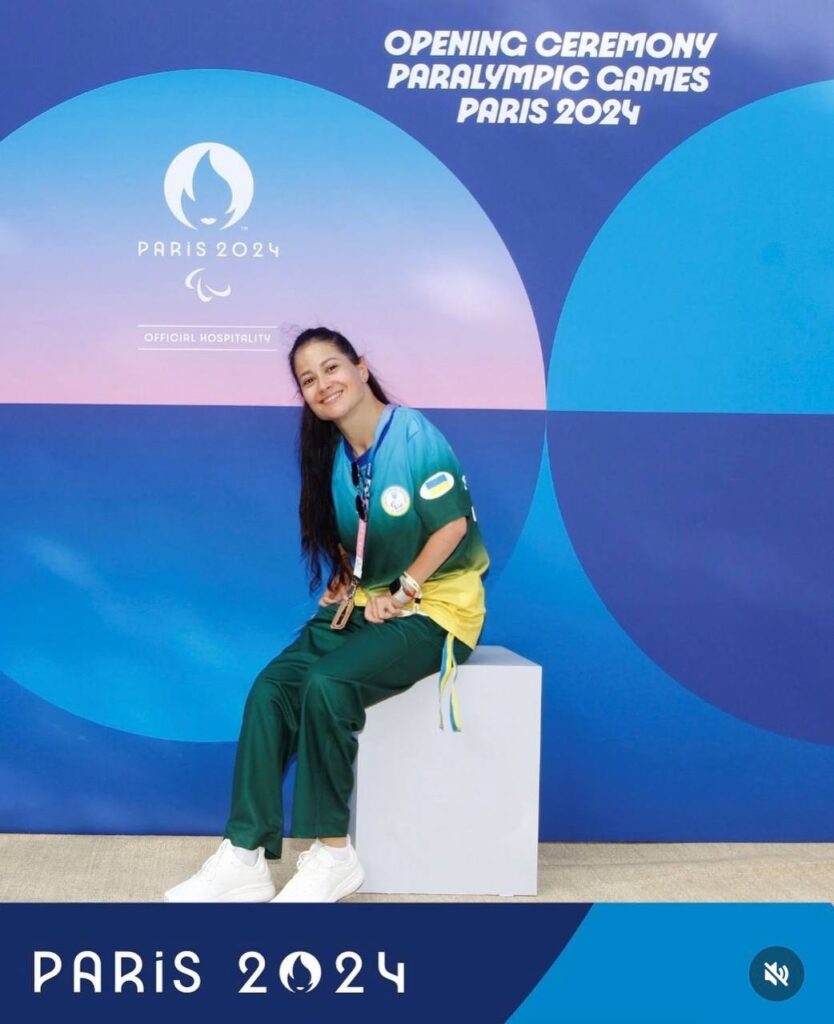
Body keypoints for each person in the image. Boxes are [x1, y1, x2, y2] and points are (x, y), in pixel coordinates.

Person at [165, 326, 489, 903]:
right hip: (366, 605)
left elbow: (452, 526)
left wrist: (405, 589)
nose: (322, 384)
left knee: (328, 683)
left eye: (331, 368)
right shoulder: (336, 456)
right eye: (308, 380)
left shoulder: (413, 434)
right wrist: (349, 575)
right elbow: (354, 532)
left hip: (437, 612)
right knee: (272, 689)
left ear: (361, 367)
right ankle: (244, 855)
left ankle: (333, 854)